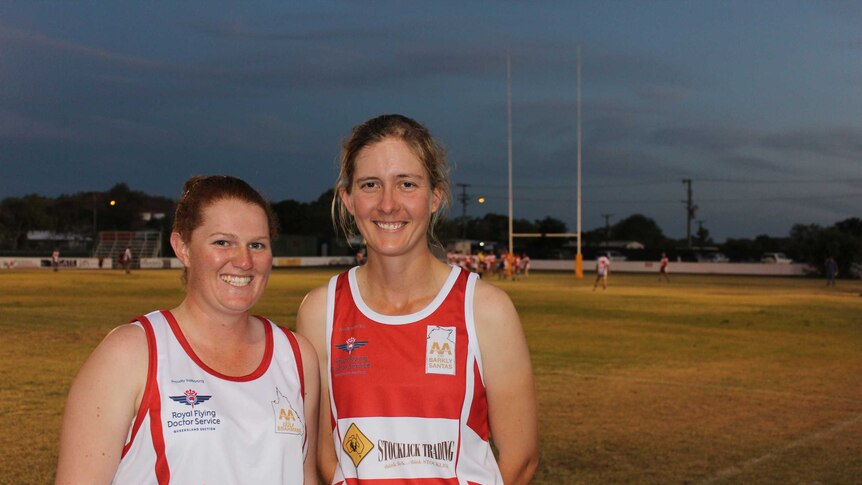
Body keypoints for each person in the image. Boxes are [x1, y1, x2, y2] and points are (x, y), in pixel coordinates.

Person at [297, 114, 538, 484]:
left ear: (435, 197)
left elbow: (520, 460)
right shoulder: (320, 311)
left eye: (407, 184)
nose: (388, 204)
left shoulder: (485, 309)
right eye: (370, 185)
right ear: (348, 199)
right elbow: (322, 457)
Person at [56, 176, 319, 485]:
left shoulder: (297, 356)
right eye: (223, 242)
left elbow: (305, 476)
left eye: (257, 245)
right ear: (182, 247)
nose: (244, 261)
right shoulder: (131, 354)